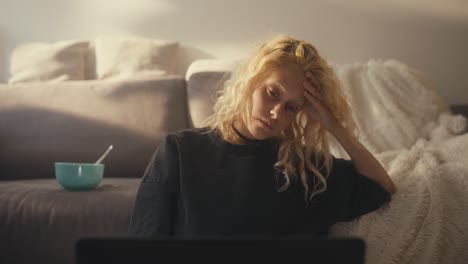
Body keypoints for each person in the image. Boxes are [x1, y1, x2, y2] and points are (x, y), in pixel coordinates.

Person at [128, 34, 397, 238]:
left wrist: (334, 126)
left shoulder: (302, 167)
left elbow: (381, 188)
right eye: (273, 93)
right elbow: (144, 244)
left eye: (291, 107)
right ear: (251, 80)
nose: (277, 112)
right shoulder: (179, 151)